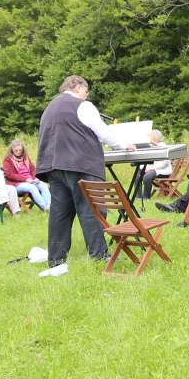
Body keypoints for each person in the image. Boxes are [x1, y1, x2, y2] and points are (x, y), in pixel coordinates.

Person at [35, 75, 130, 277]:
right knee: (92, 210)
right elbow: (102, 132)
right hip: (80, 164)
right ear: (79, 87)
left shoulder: (49, 108)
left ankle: (56, 259)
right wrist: (124, 145)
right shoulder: (82, 106)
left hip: (53, 166)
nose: (86, 96)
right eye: (86, 92)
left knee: (59, 213)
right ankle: (98, 256)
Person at [1, 138, 52, 210]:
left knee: (43, 185)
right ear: (12, 149)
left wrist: (35, 178)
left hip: (30, 180)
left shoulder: (26, 158)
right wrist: (25, 179)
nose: (18, 152)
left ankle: (50, 206)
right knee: (32, 188)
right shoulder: (7, 160)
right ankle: (46, 208)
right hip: (16, 184)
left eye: (20, 150)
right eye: (16, 150)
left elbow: (33, 169)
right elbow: (10, 175)